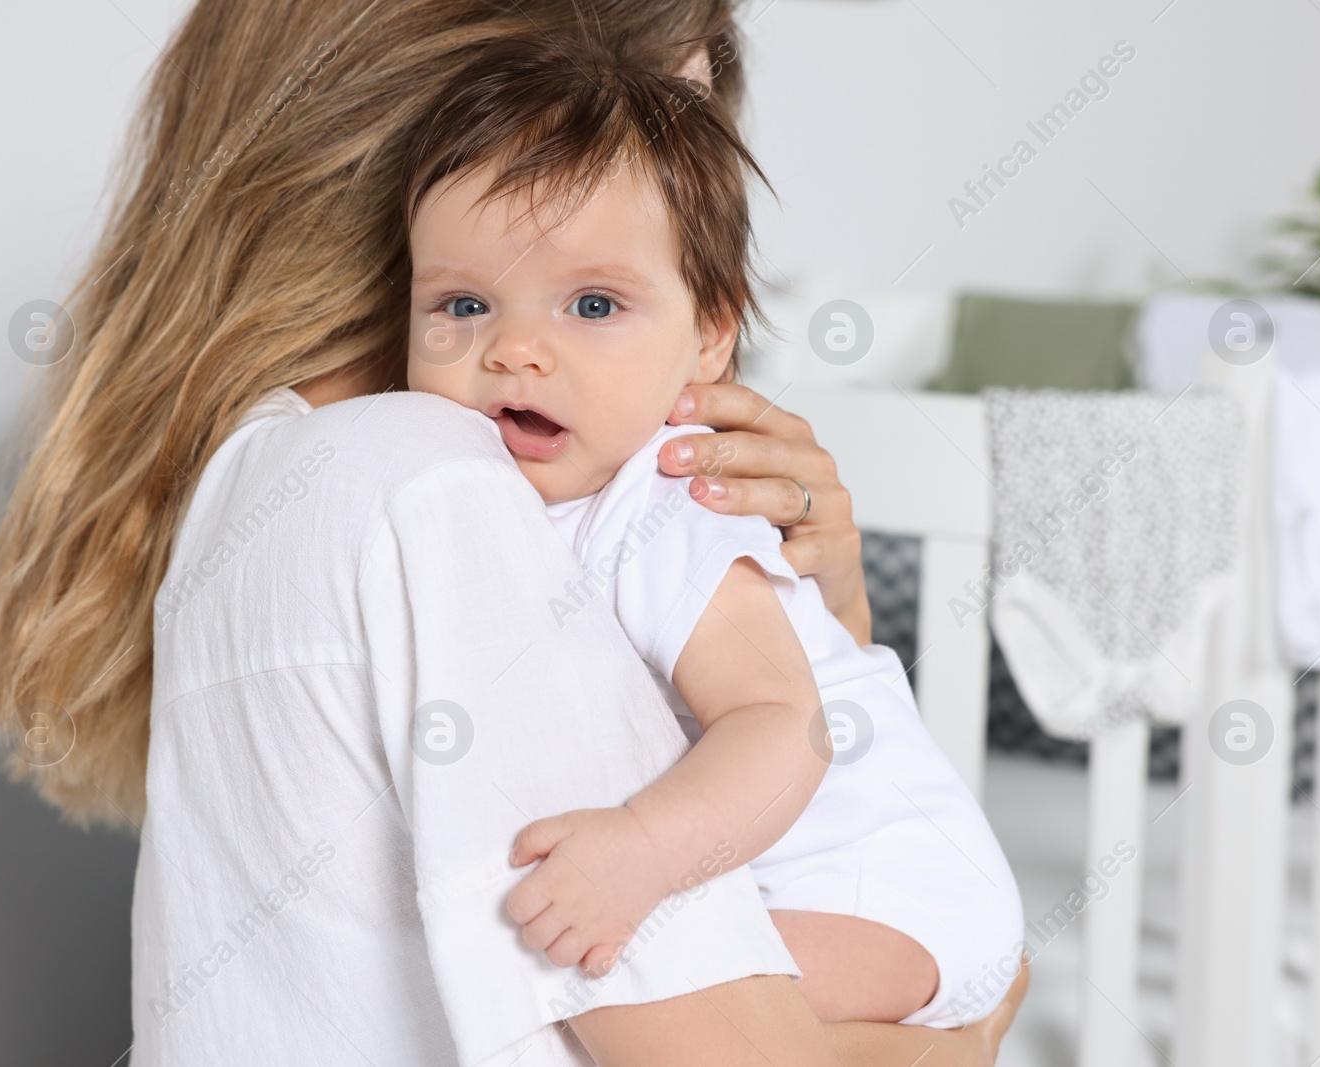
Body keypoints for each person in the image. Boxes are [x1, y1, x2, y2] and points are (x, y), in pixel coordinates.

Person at [0, 1, 1026, 1064]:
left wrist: (823, 616)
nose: (697, 170)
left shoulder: (262, 471)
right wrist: (968, 1034)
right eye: (466, 304)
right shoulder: (435, 487)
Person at [400, 34, 1025, 1029]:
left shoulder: (671, 503)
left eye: (593, 303)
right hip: (766, 872)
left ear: (708, 335)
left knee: (615, 992)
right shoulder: (479, 491)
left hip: (881, 886)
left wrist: (643, 847)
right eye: (462, 303)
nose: (514, 346)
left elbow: (786, 726)